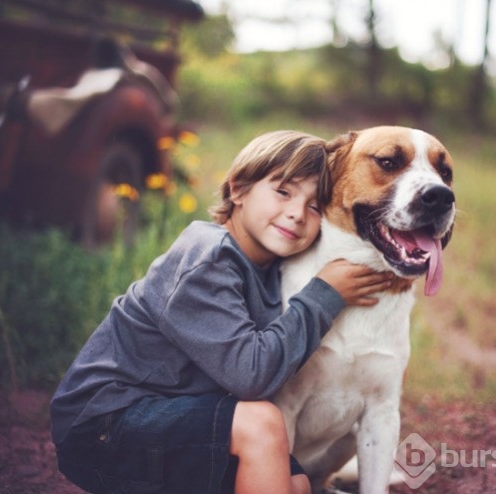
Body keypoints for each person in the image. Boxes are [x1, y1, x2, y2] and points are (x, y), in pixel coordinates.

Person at [50, 130, 394, 494]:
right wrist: (325, 294)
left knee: (295, 484)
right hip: (103, 423)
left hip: (168, 417)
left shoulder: (265, 269)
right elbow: (251, 376)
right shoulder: (207, 258)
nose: (296, 213)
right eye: (283, 191)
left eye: (314, 206)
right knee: (260, 424)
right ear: (238, 189)